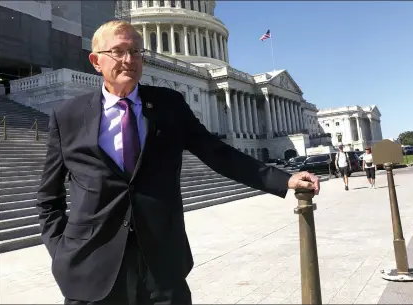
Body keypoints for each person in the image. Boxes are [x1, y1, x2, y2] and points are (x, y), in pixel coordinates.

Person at [36, 20, 320, 305]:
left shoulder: (169, 105)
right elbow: (49, 196)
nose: (129, 60)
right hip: (91, 269)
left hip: (161, 268)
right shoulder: (68, 116)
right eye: (119, 51)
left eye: (135, 51)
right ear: (96, 61)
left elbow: (217, 152)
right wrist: (62, 250)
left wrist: (283, 179)